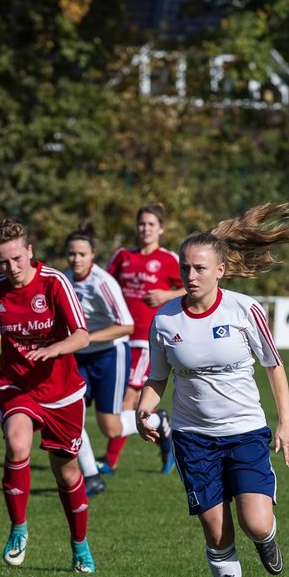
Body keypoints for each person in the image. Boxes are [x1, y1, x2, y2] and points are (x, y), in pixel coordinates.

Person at [136, 203, 289, 577]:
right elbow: (157, 377)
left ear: (221, 270)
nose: (190, 276)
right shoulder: (164, 319)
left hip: (245, 432)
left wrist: (286, 422)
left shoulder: (244, 310)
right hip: (193, 439)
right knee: (216, 533)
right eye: (185, 268)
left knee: (255, 523)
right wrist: (143, 407)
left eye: (199, 268)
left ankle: (266, 540)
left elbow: (273, 364)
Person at [0, 217, 98, 573]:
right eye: (3, 262)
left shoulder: (54, 283)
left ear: (29, 251)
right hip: (16, 385)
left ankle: (79, 545)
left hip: (62, 393)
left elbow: (83, 335)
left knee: (66, 474)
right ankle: (18, 528)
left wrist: (56, 349)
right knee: (17, 444)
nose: (12, 268)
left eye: (17, 259)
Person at [104, 201, 180, 475]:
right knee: (125, 402)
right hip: (119, 339)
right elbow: (104, 284)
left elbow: (193, 290)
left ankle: (109, 462)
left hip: (148, 340)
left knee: (128, 399)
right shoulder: (123, 256)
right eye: (142, 224)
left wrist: (166, 295)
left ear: (161, 228)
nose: (145, 228)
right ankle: (161, 424)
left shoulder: (169, 259)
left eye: (151, 224)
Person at [63, 221, 136, 497]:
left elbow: (126, 326)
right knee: (71, 414)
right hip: (78, 357)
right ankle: (91, 476)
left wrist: (87, 338)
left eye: (82, 254)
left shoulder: (103, 282)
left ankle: (156, 422)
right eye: (72, 254)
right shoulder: (64, 279)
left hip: (110, 355)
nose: (76, 259)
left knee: (111, 428)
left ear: (92, 255)